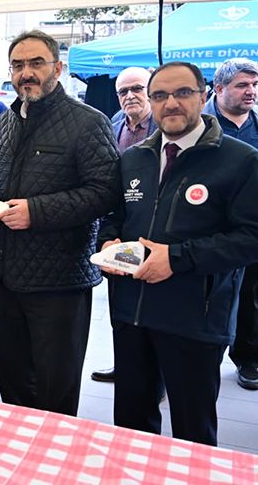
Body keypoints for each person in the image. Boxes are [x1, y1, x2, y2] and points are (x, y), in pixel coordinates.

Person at [100, 61, 258, 446]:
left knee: (192, 429)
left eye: (182, 93)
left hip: (196, 317)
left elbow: (250, 238)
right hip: (131, 311)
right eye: (160, 95)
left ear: (204, 97)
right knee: (132, 424)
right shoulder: (133, 158)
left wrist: (176, 258)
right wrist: (107, 243)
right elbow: (113, 217)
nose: (171, 103)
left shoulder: (241, 160)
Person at [0, 30, 120, 416]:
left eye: (36, 63)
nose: (27, 73)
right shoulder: (5, 121)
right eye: (19, 65)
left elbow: (105, 193)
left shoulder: (88, 122)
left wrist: (35, 212)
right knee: (12, 380)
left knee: (55, 390)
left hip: (60, 281)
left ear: (57, 67)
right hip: (5, 276)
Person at [91, 66, 158, 383]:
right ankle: (127, 368)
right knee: (122, 310)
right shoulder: (114, 124)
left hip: (156, 231)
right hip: (121, 229)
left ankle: (156, 378)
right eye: (123, 91)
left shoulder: (163, 127)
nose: (130, 96)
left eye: (137, 88)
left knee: (156, 314)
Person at [202, 58, 258, 391]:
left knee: (252, 296)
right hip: (206, 227)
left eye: (254, 85)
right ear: (219, 88)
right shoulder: (198, 124)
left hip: (248, 227)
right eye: (242, 85)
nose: (250, 91)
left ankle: (248, 357)